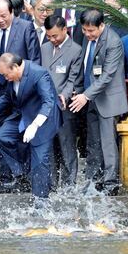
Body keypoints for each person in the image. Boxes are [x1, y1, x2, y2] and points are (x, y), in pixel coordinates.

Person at [0, 53, 62, 198]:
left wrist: (35, 125)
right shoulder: (12, 75)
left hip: (42, 119)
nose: (5, 78)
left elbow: (48, 102)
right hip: (23, 115)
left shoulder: (39, 73)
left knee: (41, 160)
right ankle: (24, 173)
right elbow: (6, 97)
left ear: (15, 67)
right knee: (1, 136)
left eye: (6, 75)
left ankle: (41, 201)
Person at [69, 8, 128, 195]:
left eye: (91, 31)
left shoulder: (113, 42)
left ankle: (111, 184)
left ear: (101, 25)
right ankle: (93, 181)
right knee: (92, 143)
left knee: (108, 143)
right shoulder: (87, 38)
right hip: (91, 98)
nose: (87, 34)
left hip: (108, 100)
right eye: (85, 30)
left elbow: (108, 75)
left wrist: (85, 95)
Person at [0, 0, 41, 191]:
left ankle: (23, 176)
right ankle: (4, 178)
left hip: (20, 89)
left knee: (20, 134)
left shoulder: (26, 27)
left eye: (3, 16)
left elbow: (35, 60)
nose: (0, 20)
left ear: (12, 12)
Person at [41, 15, 82, 188]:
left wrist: (64, 96)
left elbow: (73, 79)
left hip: (64, 106)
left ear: (65, 30)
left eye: (55, 36)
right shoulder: (44, 48)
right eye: (49, 36)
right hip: (45, 106)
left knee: (67, 147)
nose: (52, 40)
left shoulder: (75, 50)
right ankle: (50, 184)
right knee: (48, 147)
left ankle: (69, 186)